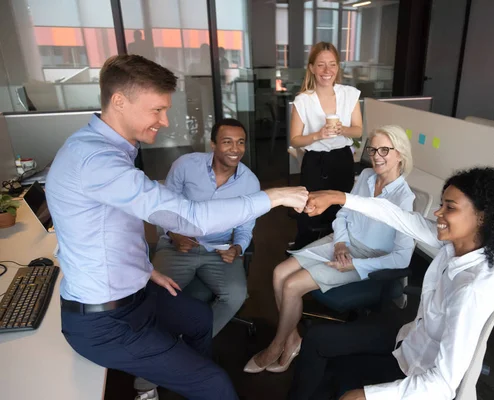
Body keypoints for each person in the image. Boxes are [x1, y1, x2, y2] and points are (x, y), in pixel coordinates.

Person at [45, 54, 308, 400]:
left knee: (199, 318)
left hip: (134, 291)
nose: (165, 121)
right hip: (105, 322)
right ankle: (195, 379)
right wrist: (273, 196)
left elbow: (110, 230)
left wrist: (143, 270)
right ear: (119, 101)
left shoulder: (107, 149)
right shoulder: (97, 162)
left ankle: (186, 378)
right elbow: (190, 218)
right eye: (157, 110)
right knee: (217, 385)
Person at [291, 167, 494, 400]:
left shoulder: (473, 288)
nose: (438, 213)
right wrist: (337, 197)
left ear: (482, 217)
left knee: (336, 376)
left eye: (450, 207)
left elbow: (443, 385)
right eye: (441, 204)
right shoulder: (454, 246)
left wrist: (367, 395)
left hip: (419, 375)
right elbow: (394, 214)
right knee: (317, 341)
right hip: (409, 341)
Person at [244, 126, 416, 374]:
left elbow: (401, 259)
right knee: (279, 272)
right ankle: (292, 341)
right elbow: (344, 212)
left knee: (292, 285)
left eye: (385, 150)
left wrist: (355, 264)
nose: (377, 155)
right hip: (341, 241)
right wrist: (340, 243)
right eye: (373, 149)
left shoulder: (404, 198)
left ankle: (276, 346)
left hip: (366, 257)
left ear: (400, 154)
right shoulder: (367, 176)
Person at [152, 118, 259, 337]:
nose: (235, 149)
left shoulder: (250, 183)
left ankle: (194, 342)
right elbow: (164, 208)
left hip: (218, 251)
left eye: (240, 142)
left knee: (236, 295)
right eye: (227, 142)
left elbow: (245, 229)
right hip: (178, 246)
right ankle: (158, 350)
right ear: (213, 145)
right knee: (155, 295)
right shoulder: (185, 166)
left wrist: (237, 249)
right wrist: (174, 234)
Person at [290, 42, 363, 250]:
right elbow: (295, 139)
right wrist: (317, 135)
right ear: (312, 68)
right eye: (321, 65)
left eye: (332, 64)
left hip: (342, 159)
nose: (327, 71)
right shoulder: (303, 100)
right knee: (310, 210)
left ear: (338, 67)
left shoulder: (350, 94)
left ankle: (337, 252)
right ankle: (304, 253)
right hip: (315, 162)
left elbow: (357, 130)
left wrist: (343, 130)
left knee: (340, 209)